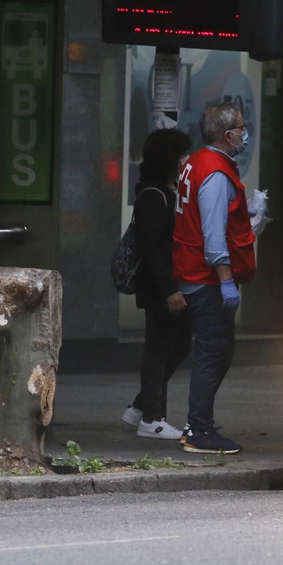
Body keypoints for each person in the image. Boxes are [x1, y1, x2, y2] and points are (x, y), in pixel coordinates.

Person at [172, 101, 257, 455]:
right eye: (240, 127)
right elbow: (213, 234)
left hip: (193, 274)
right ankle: (199, 431)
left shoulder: (195, 164)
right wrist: (225, 280)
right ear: (227, 135)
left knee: (213, 353)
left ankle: (199, 426)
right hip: (206, 280)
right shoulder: (215, 172)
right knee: (213, 354)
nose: (244, 132)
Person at [121, 126, 194, 440]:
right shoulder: (153, 195)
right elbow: (152, 248)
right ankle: (152, 418)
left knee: (176, 345)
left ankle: (141, 406)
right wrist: (170, 290)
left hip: (168, 285)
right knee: (159, 349)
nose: (186, 160)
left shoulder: (167, 192)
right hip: (160, 288)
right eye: (182, 154)